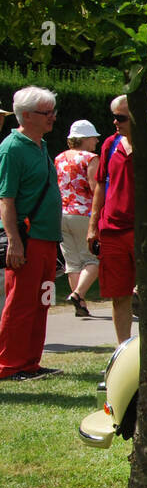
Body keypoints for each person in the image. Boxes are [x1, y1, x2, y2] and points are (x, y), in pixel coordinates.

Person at [88, 95, 147, 345]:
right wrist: (93, 225)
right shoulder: (110, 144)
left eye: (121, 117)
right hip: (112, 232)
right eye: (114, 116)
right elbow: (100, 185)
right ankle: (122, 350)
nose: (115, 122)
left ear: (138, 118)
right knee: (119, 295)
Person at [0, 86, 62, 380]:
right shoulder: (12, 148)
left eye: (52, 111)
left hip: (47, 239)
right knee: (21, 304)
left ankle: (31, 363)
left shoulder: (41, 144)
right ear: (25, 116)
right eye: (45, 112)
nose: (52, 117)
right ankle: (9, 365)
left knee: (42, 301)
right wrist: (13, 240)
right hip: (27, 239)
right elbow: (6, 199)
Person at [54, 119, 101, 318]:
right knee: (94, 258)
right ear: (85, 139)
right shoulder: (90, 158)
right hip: (84, 213)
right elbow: (95, 187)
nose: (96, 142)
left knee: (72, 262)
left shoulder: (59, 158)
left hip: (61, 214)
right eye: (94, 138)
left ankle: (79, 304)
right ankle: (78, 293)